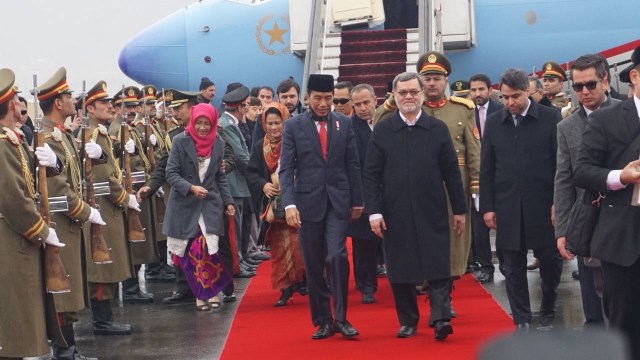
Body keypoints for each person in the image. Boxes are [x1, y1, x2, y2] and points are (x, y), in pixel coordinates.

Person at [364, 72, 466, 340]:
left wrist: (460, 210)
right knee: (400, 267)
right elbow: (371, 174)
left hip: (432, 207)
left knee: (438, 263)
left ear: (421, 94)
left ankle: (441, 317)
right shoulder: (384, 129)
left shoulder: (437, 129)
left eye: (413, 92)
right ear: (394, 96)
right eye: (402, 93)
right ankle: (408, 320)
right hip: (394, 211)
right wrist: (374, 212)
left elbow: (451, 173)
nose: (408, 97)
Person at [279, 74, 363, 340]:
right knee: (314, 263)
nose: (324, 103)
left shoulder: (345, 124)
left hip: (338, 201)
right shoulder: (293, 126)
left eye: (328, 98)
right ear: (308, 98)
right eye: (318, 98)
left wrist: (358, 200)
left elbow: (353, 163)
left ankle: (341, 318)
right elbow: (287, 169)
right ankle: (323, 320)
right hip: (307, 203)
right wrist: (289, 203)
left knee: (337, 256)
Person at [480, 68, 563, 332]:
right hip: (508, 206)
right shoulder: (494, 122)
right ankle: (522, 319)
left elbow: (561, 164)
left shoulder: (550, 118)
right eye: (504, 97)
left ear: (528, 91)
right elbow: (487, 168)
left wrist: (558, 202)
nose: (509, 103)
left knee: (550, 261)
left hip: (544, 204)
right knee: (512, 266)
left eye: (515, 96)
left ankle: (548, 306)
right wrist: (488, 206)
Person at [573, 45, 640, 359]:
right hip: (623, 240)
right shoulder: (607, 120)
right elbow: (582, 171)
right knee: (625, 326)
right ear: (635, 77)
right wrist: (620, 177)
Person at [37, 67, 107, 360]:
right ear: (57, 103)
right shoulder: (48, 138)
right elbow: (57, 190)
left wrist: (99, 154)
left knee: (71, 289)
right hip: (63, 222)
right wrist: (86, 211)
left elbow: (78, 172)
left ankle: (70, 348)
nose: (72, 100)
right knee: (62, 290)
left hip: (71, 222)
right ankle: (64, 351)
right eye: (68, 96)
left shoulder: (62, 136)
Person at [0, 68, 67, 359]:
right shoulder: (3, 145)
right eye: (16, 97)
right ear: (11, 105)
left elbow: (37, 176)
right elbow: (14, 199)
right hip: (11, 240)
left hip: (18, 239)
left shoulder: (13, 140)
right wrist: (42, 230)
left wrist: (54, 163)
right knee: (14, 323)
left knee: (20, 320)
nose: (19, 102)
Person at [555, 54, 617, 327]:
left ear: (606, 80)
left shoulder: (629, 114)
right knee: (593, 304)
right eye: (577, 86)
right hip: (588, 219)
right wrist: (563, 230)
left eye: (590, 84)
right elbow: (564, 180)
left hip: (625, 219)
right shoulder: (567, 127)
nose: (584, 92)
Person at [163, 103, 235, 311]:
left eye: (207, 124)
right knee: (191, 252)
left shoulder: (218, 143)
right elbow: (171, 173)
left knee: (209, 250)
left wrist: (228, 201)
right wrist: (191, 188)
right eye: (199, 123)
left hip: (209, 204)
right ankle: (200, 295)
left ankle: (211, 291)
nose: (203, 128)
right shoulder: (180, 141)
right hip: (184, 206)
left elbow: (220, 177)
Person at [83, 81, 137, 336]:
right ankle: (102, 321)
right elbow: (103, 175)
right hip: (103, 205)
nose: (109, 106)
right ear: (90, 109)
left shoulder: (101, 133)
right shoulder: (93, 135)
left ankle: (105, 318)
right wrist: (125, 197)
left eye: (109, 102)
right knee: (102, 265)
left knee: (109, 262)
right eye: (103, 103)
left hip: (107, 205)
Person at [246, 102, 305, 307]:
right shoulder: (259, 147)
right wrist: (264, 186)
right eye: (270, 123)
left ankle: (303, 281)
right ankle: (284, 287)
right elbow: (252, 173)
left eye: (278, 123)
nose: (274, 127)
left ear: (285, 121)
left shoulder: (295, 141)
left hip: (298, 201)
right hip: (275, 207)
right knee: (280, 248)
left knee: (300, 244)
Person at [346, 83, 381, 304]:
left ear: (375, 100)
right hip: (361, 191)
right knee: (363, 243)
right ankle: (366, 285)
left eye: (366, 102)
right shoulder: (348, 128)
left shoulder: (388, 121)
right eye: (357, 104)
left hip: (389, 189)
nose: (362, 108)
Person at [468, 73, 503, 283]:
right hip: (475, 176)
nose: (477, 94)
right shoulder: (464, 112)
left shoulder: (500, 111)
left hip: (498, 174)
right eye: (473, 90)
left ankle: (506, 264)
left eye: (481, 89)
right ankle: (486, 266)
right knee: (479, 226)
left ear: (489, 90)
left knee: (502, 224)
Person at [252, 77, 304, 148]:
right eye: (284, 97)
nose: (288, 101)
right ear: (278, 98)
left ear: (299, 97)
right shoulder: (263, 117)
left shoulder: (307, 117)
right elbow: (256, 148)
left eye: (292, 96)